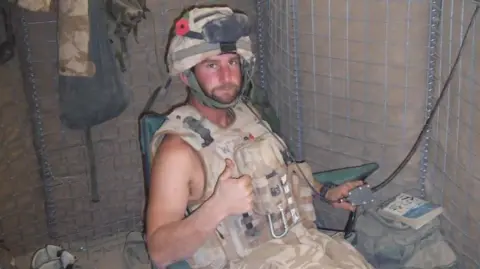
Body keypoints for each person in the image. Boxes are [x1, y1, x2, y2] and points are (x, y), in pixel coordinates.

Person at [145, 5, 374, 269]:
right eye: (211, 65)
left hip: (304, 247)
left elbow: (277, 177)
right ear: (187, 76)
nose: (226, 76)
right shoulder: (178, 152)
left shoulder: (248, 116)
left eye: (232, 62)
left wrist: (325, 192)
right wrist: (217, 207)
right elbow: (159, 252)